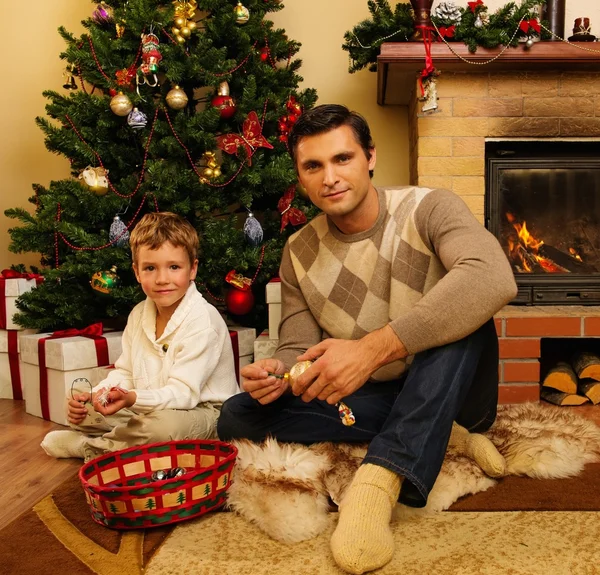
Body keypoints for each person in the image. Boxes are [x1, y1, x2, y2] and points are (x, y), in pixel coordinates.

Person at [217, 104, 518, 574]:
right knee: (238, 414)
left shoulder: (429, 208)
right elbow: (297, 345)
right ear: (300, 177)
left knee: (463, 315)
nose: (330, 177)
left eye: (343, 159)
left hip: (453, 383)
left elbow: (495, 278)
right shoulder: (298, 251)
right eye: (313, 166)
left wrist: (373, 348)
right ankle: (442, 438)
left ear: (370, 157)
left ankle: (379, 480)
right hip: (376, 397)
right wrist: (280, 373)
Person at [42, 212, 239, 462]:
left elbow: (183, 395)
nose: (162, 279)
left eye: (174, 267)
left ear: (193, 269)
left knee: (160, 429)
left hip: (205, 413)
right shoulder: (139, 314)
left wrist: (132, 398)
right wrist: (97, 395)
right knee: (82, 397)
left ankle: (90, 449)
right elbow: (126, 372)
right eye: (150, 268)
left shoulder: (203, 321)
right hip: (152, 402)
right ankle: (123, 436)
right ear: (137, 272)